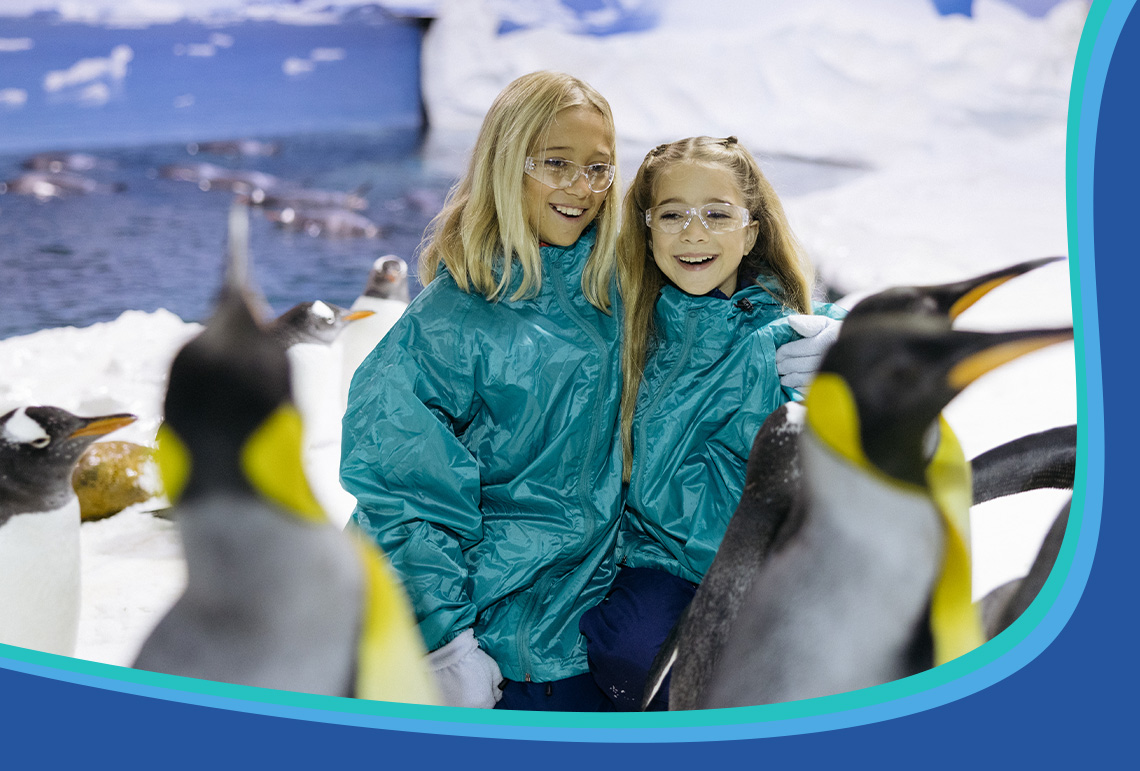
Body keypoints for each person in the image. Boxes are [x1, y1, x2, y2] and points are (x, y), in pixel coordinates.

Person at [340, 71, 625, 711]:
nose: (582, 189)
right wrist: (443, 642)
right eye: (557, 164)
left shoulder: (620, 286)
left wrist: (807, 337)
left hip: (595, 622)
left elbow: (710, 333)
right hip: (497, 640)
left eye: (598, 169)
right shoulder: (449, 322)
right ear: (505, 164)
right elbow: (401, 491)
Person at [578, 136, 846, 710]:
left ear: (751, 230)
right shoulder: (623, 330)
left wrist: (851, 357)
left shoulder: (790, 333)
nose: (693, 233)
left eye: (717, 215)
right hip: (661, 560)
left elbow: (893, 347)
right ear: (646, 231)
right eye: (672, 215)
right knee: (632, 650)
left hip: (767, 563)